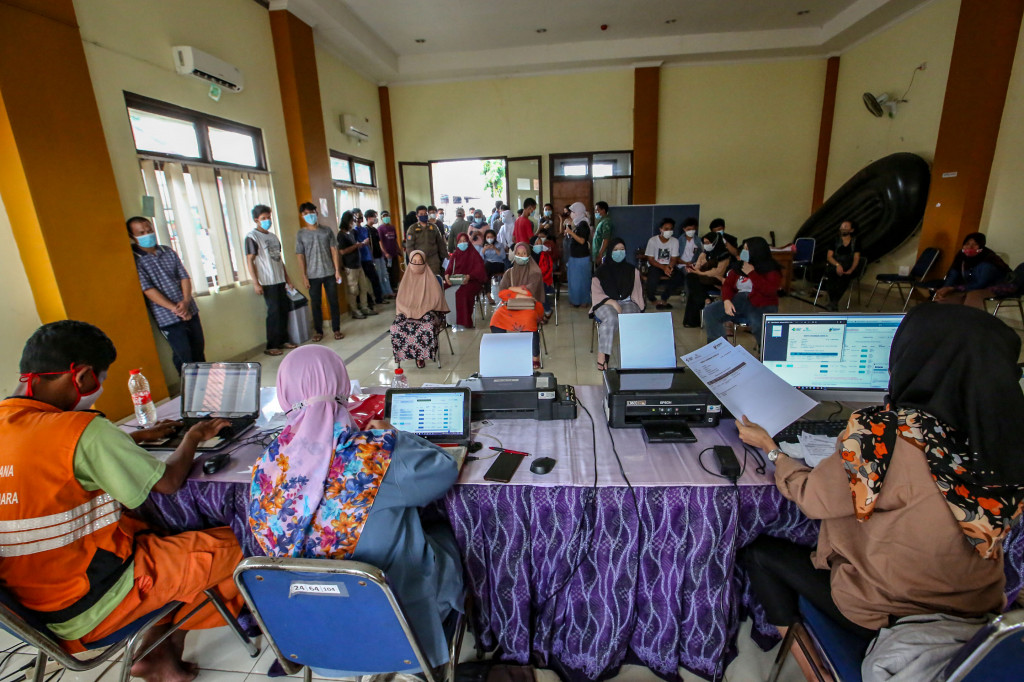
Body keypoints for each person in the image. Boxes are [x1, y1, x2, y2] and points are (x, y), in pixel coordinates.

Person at [736, 304, 1024, 675]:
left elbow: (813, 498)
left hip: (887, 612)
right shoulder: (1007, 439)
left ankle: (814, 666)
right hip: (977, 613)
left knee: (760, 553)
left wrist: (771, 449)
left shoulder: (884, 433)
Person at [3, 321, 241, 682]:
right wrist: (193, 436)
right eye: (99, 380)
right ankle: (162, 645)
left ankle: (159, 653)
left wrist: (138, 436)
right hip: (87, 605)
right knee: (241, 545)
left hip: (27, 609)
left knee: (161, 535)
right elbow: (168, 483)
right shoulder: (80, 430)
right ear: (81, 377)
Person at [248, 345, 463, 673]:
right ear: (343, 389)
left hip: (312, 642)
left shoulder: (265, 467)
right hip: (402, 637)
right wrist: (391, 434)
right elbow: (444, 469)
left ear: (285, 395)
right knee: (451, 535)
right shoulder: (373, 455)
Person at [127, 217, 204, 373]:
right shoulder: (135, 260)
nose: (147, 234)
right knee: (184, 356)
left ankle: (206, 388)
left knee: (198, 351)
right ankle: (190, 391)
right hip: (167, 317)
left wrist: (186, 301)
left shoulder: (167, 251)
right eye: (141, 232)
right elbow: (148, 289)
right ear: (132, 236)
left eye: (149, 230)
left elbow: (184, 277)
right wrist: (176, 309)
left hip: (190, 309)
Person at [703, 236, 780, 344]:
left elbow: (768, 290)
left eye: (747, 250)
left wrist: (752, 273)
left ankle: (764, 352)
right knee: (710, 311)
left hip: (762, 303)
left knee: (758, 323)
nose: (744, 252)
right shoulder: (740, 266)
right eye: (744, 249)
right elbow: (728, 285)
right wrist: (727, 300)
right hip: (740, 300)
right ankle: (719, 347)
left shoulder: (771, 269)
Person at [246, 204, 297, 356]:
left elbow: (279, 260)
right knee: (274, 313)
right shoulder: (252, 237)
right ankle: (272, 345)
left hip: (280, 279)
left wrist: (287, 278)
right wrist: (256, 283)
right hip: (267, 282)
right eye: (264, 218)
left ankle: (283, 339)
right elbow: (250, 261)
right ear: (256, 220)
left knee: (284, 310)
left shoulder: (273, 237)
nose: (267, 220)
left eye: (269, 217)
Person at [590, 238, 644, 371]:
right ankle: (602, 356)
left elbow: (637, 293)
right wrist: (612, 302)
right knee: (611, 318)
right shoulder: (601, 272)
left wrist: (639, 308)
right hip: (604, 302)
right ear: (610, 252)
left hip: (627, 301)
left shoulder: (632, 270)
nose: (619, 253)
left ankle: (629, 357)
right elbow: (596, 294)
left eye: (622, 250)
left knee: (631, 318)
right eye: (615, 250)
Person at [490, 243, 546, 368]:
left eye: (524, 254)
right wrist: (520, 293)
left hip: (531, 306)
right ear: (514, 255)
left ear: (528, 255)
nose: (521, 256)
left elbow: (531, 292)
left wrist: (513, 289)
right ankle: (504, 352)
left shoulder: (535, 271)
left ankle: (534, 356)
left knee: (528, 319)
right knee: (496, 318)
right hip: (512, 305)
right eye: (518, 254)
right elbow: (502, 292)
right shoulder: (509, 272)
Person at [391, 250, 449, 368]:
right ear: (410, 262)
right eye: (414, 261)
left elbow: (436, 299)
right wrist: (410, 310)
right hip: (407, 313)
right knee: (396, 326)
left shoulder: (431, 279)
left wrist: (422, 309)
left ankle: (421, 356)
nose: (417, 264)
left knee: (426, 326)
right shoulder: (405, 281)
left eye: (420, 262)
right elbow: (400, 301)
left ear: (425, 262)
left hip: (428, 312)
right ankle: (404, 355)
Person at [295, 202, 344, 342]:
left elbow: (334, 250)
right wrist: (304, 276)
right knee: (315, 303)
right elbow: (300, 255)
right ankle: (318, 331)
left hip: (329, 272)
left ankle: (336, 329)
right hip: (312, 275)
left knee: (333, 301)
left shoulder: (327, 230)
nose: (309, 216)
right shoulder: (301, 234)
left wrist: (337, 270)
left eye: (311, 212)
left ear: (316, 212)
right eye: (305, 214)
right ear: (302, 216)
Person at [934, 232, 1011, 307]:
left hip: (992, 288)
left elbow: (980, 284)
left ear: (981, 247)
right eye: (967, 244)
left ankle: (969, 318)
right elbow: (953, 275)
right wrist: (945, 288)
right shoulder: (961, 256)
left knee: (972, 296)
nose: (970, 247)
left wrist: (953, 288)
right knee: (944, 298)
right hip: (968, 287)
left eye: (975, 244)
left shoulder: (989, 261)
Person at [681, 231, 732, 328]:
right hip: (702, 279)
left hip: (716, 280)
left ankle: (692, 319)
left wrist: (700, 273)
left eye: (708, 243)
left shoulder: (724, 255)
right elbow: (697, 266)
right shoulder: (704, 254)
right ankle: (705, 298)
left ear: (715, 242)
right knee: (693, 283)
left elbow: (718, 272)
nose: (706, 245)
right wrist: (692, 269)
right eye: (705, 243)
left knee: (693, 282)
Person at [337, 210, 377, 320]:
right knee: (353, 290)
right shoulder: (341, 235)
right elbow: (342, 252)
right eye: (352, 221)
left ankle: (364, 307)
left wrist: (361, 244)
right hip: (350, 266)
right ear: (347, 221)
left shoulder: (351, 233)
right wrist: (357, 245)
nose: (354, 222)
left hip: (358, 264)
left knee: (363, 287)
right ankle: (354, 310)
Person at [445, 233, 487, 329]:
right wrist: (447, 276)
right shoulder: (455, 254)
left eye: (465, 241)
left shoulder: (473, 253)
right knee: (445, 291)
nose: (463, 243)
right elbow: (449, 269)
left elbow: (479, 270)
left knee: (462, 292)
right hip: (457, 280)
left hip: (472, 281)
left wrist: (469, 276)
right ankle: (450, 321)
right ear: (457, 242)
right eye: (460, 241)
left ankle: (464, 321)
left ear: (468, 242)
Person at [644, 218, 685, 309]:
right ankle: (652, 299)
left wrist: (669, 267)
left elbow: (674, 258)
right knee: (652, 278)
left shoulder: (675, 241)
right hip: (656, 265)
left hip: (668, 265)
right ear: (661, 229)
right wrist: (663, 268)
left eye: (671, 229)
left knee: (679, 277)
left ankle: (664, 298)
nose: (669, 231)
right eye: (666, 229)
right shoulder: (653, 240)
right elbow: (651, 259)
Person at [821, 220, 861, 311]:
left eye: (846, 226)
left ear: (851, 230)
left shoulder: (856, 241)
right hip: (835, 263)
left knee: (845, 276)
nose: (843, 228)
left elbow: (856, 258)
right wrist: (837, 265)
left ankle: (833, 302)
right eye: (842, 226)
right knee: (831, 274)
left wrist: (851, 269)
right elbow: (829, 257)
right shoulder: (835, 240)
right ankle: (833, 302)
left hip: (848, 265)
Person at [405, 206, 448, 277]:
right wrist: (413, 260)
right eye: (421, 214)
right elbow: (409, 247)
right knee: (421, 281)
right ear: (417, 216)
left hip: (433, 260)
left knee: (435, 280)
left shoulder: (434, 227)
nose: (424, 216)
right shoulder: (412, 229)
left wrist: (445, 256)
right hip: (419, 260)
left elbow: (441, 244)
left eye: (425, 214)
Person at [353, 210, 384, 305]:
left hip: (368, 258)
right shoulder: (354, 230)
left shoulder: (364, 229)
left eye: (361, 216)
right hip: (360, 259)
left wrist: (371, 255)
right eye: (358, 216)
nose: (360, 218)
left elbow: (369, 244)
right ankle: (366, 302)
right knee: (361, 284)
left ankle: (379, 299)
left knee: (375, 279)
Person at [565, 202, 592, 307]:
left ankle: (584, 301)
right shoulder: (577, 223)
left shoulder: (583, 224)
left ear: (578, 212)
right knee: (574, 281)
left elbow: (582, 241)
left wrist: (571, 233)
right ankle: (576, 301)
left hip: (581, 258)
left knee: (582, 281)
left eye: (572, 212)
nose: (571, 214)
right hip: (575, 257)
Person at [365, 209, 394, 300]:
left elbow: (379, 242)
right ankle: (383, 294)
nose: (376, 218)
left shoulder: (374, 229)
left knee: (385, 274)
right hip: (373, 257)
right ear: (369, 218)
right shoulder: (366, 229)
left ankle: (389, 292)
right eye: (374, 216)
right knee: (379, 276)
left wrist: (384, 253)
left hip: (380, 255)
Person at [529, 234, 554, 321]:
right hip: (533, 283)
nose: (539, 245)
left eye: (540, 243)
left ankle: (547, 310)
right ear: (532, 245)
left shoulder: (545, 256)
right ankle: (535, 313)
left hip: (545, 282)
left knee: (538, 289)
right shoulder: (529, 257)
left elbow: (546, 270)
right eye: (537, 244)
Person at [377, 210, 403, 290]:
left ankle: (395, 287)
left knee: (395, 271)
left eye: (387, 216)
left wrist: (399, 250)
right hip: (386, 255)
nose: (386, 218)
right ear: (381, 218)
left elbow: (395, 240)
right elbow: (380, 242)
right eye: (384, 216)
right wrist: (385, 253)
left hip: (394, 253)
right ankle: (390, 288)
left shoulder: (392, 227)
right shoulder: (380, 228)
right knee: (388, 272)